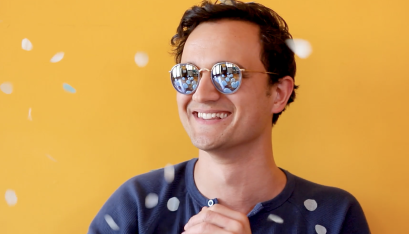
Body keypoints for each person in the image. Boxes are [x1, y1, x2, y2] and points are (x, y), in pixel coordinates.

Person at [88, 1, 371, 233]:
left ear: (278, 93)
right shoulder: (136, 207)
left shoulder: (335, 218)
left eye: (227, 74)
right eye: (188, 75)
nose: (202, 94)